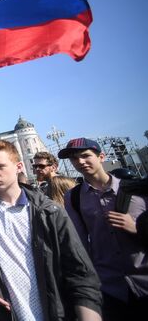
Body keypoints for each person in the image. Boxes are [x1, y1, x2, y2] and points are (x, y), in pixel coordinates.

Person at [0, 140, 102, 320]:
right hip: (2, 312)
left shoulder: (49, 211)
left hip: (52, 311)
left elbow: (80, 272)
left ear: (18, 166)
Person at [58, 137, 148, 320]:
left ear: (101, 157)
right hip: (110, 289)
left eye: (85, 155)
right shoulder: (73, 197)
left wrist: (138, 228)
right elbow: (79, 244)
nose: (80, 162)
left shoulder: (136, 189)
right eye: (74, 159)